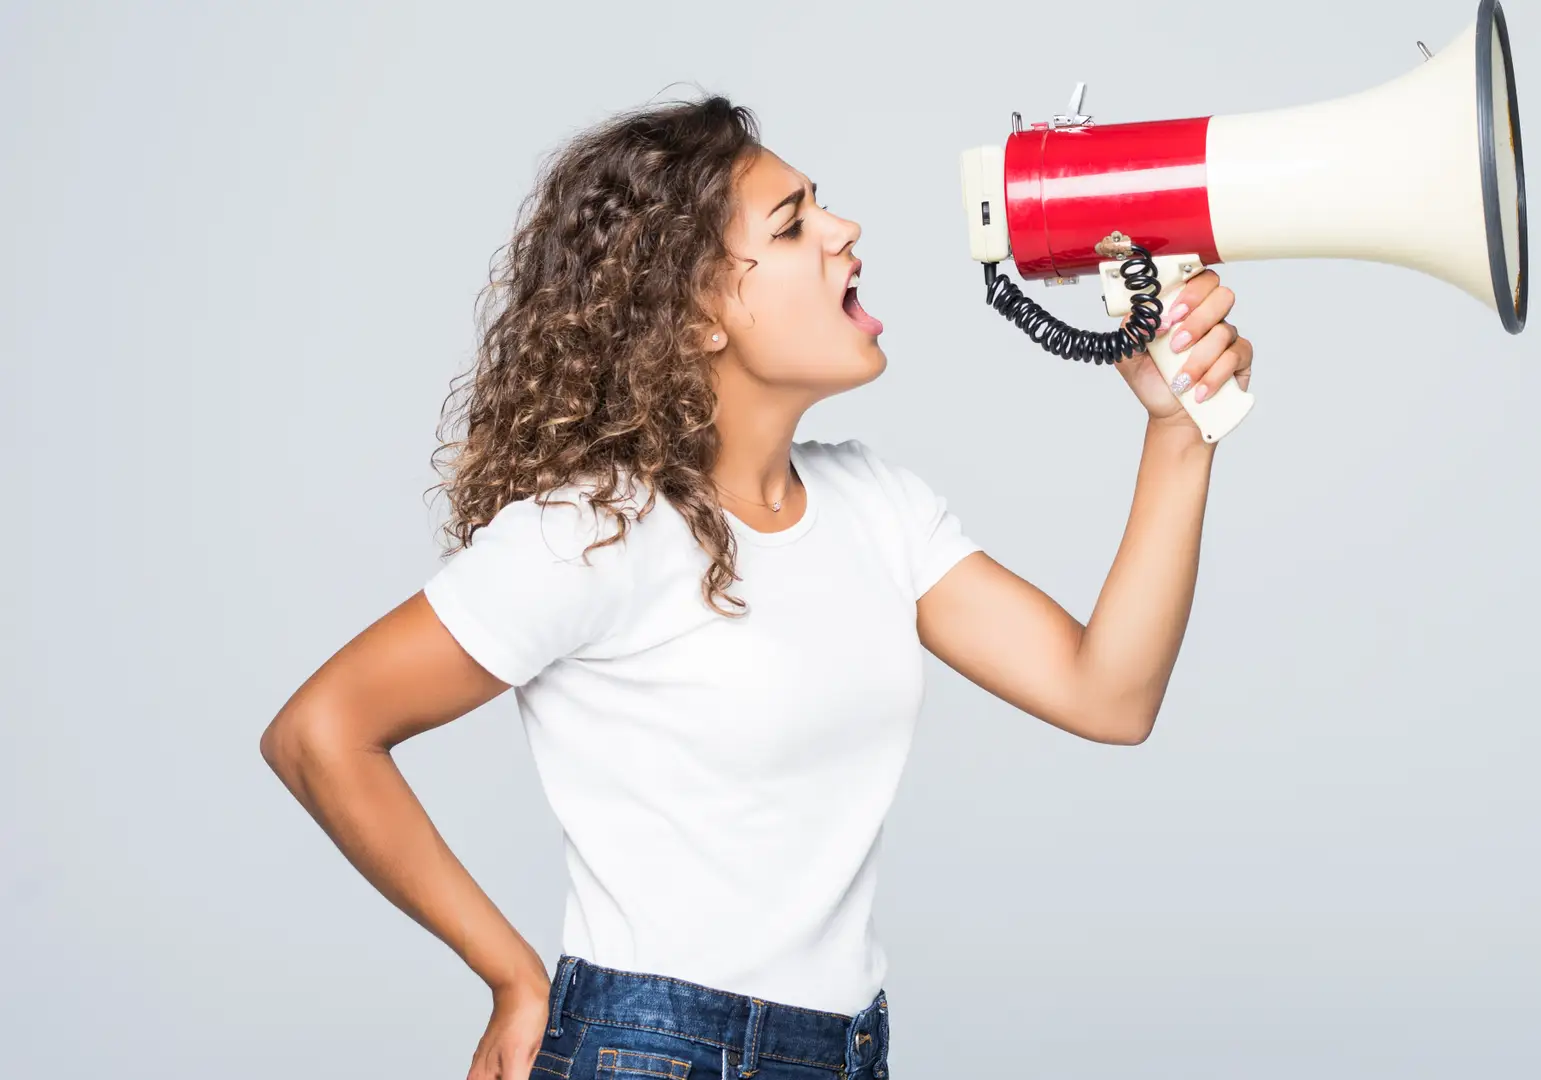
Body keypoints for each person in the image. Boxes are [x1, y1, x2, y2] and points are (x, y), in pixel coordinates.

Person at [259, 94, 1253, 1080]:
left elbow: (1107, 696)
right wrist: (512, 976)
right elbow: (320, 732)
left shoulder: (876, 506)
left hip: (845, 1048)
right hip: (655, 1050)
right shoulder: (597, 530)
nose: (844, 229)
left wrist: (1179, 430)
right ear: (695, 317)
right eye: (792, 225)